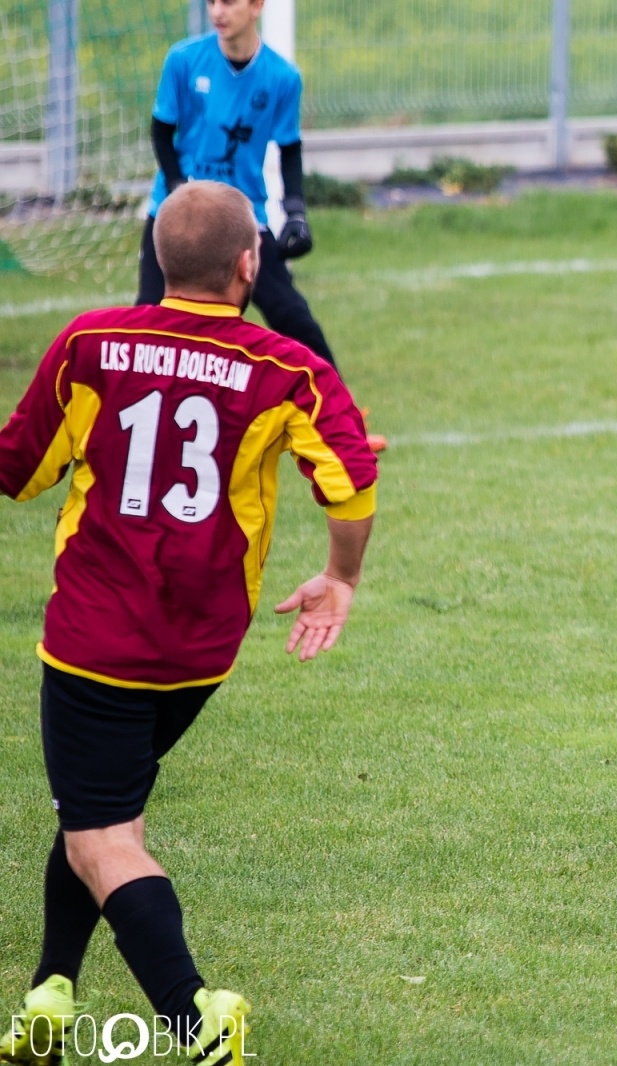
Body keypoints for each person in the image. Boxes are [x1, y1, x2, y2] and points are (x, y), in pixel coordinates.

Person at [0, 181, 378, 1065]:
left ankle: (194, 1015)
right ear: (250, 263)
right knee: (95, 808)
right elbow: (352, 475)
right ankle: (49, 993)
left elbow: (19, 472)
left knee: (104, 838)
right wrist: (339, 576)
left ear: (159, 259)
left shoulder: (90, 342)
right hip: (200, 653)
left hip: (96, 641)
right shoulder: (287, 368)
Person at [137, 0, 386, 453]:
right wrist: (177, 189)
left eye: (229, 1)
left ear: (256, 7)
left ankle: (346, 425)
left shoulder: (282, 78)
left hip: (241, 219)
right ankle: (133, 427)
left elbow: (289, 148)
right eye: (211, 1)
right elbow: (160, 132)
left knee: (293, 316)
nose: (217, 10)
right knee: (149, 321)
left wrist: (295, 211)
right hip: (178, 214)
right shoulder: (184, 60)